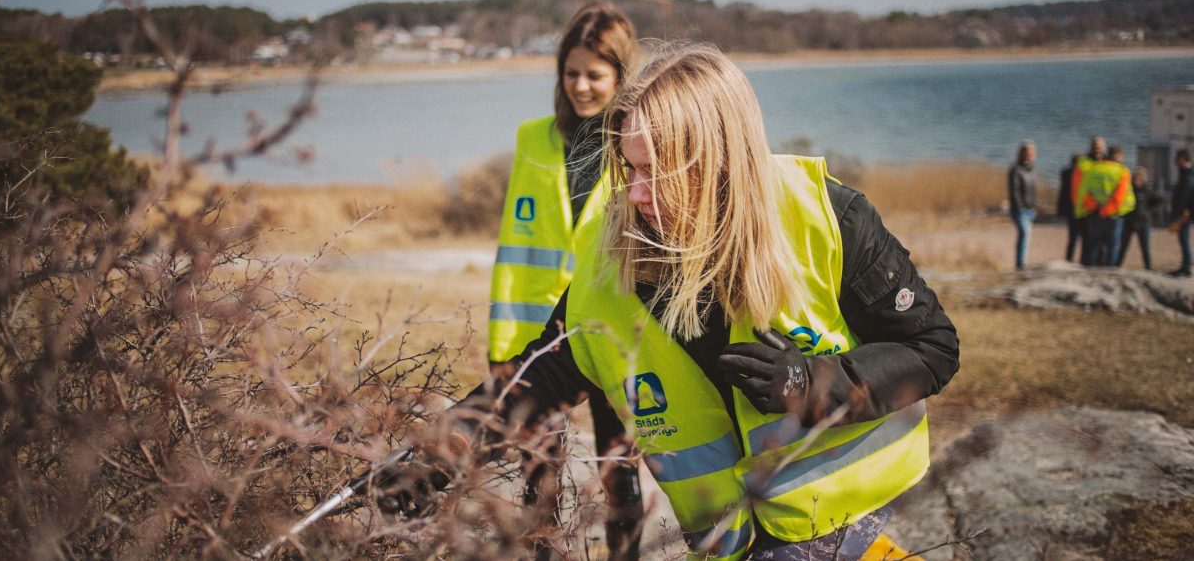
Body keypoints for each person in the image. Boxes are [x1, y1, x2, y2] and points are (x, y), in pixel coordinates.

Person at [408, 44, 959, 560]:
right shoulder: (614, 259)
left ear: (720, 163)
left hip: (843, 509)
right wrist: (439, 452)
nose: (636, 194)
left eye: (658, 173)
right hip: (728, 539)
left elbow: (932, 347)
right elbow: (542, 372)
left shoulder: (826, 215)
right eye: (631, 169)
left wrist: (815, 385)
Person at [487, 2, 643, 558]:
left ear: (621, 77)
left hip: (610, 332)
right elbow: (516, 250)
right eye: (570, 73)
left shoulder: (639, 147)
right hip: (538, 341)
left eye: (594, 75)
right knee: (538, 485)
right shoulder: (532, 139)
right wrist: (502, 351)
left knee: (619, 476)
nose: (580, 86)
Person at [1073, 141, 1134, 267]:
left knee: (1093, 244)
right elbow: (1120, 196)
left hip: (1094, 213)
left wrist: (1092, 207)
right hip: (1113, 215)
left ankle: (1089, 271)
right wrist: (1107, 209)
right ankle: (1109, 272)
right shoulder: (1123, 171)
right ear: (1118, 156)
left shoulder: (1093, 168)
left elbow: (1084, 192)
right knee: (1112, 246)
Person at [1116, 167, 1164, 270]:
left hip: (1143, 222)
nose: (1137, 180)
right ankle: (1117, 266)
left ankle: (1148, 267)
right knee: (1123, 247)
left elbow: (1160, 199)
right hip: (1129, 221)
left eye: (1140, 178)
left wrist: (1148, 209)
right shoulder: (1128, 190)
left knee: (1145, 248)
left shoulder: (1147, 191)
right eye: (1135, 178)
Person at [1008, 141, 1037, 270]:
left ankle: (1022, 261)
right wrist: (1020, 207)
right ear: (1021, 153)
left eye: (1032, 153)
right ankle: (1021, 264)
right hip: (1020, 210)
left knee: (1026, 235)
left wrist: (1034, 206)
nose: (1029, 155)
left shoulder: (1030, 169)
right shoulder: (1016, 170)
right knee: (1024, 233)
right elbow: (1014, 191)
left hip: (1031, 209)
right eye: (1027, 153)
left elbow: (1032, 191)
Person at [1170, 148, 1193, 277]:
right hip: (1184, 212)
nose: (1175, 161)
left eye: (1177, 159)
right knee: (1182, 239)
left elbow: (1186, 196)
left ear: (1183, 160)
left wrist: (1184, 214)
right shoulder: (1185, 173)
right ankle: (1185, 266)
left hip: (1185, 213)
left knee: (1184, 239)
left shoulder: (1188, 175)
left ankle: (1186, 268)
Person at [1057, 154, 1081, 262]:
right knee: (1081, 237)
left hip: (1071, 209)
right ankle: (1081, 259)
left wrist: (1060, 209)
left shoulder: (1066, 173)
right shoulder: (1080, 174)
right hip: (1078, 208)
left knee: (1072, 237)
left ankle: (1069, 259)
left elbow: (1062, 193)